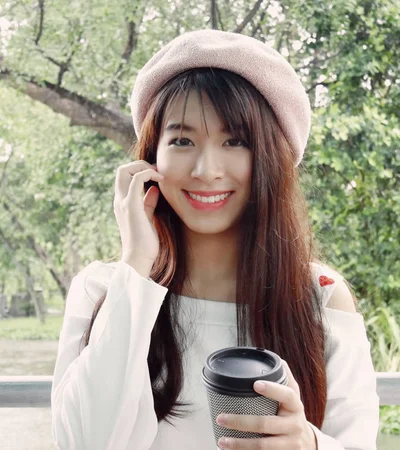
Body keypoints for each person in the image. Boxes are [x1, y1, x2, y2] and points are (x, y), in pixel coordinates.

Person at [50, 29, 379, 450]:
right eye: (182, 140)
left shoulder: (320, 296)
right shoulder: (103, 289)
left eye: (235, 141)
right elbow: (82, 443)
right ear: (152, 158)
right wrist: (135, 264)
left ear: (271, 158)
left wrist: (309, 444)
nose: (207, 169)